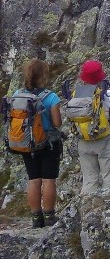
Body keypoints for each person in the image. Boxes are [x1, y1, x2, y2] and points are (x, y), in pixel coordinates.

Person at [16, 59, 63, 228]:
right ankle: (49, 216)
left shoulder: (17, 94)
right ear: (44, 75)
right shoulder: (51, 97)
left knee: (33, 179)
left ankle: (36, 218)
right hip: (48, 143)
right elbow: (57, 123)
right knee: (48, 179)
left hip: (26, 143)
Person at [73, 60, 110, 194]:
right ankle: (108, 211)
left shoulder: (76, 94)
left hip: (83, 141)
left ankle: (87, 209)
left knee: (89, 180)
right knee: (109, 180)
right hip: (104, 141)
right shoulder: (107, 94)